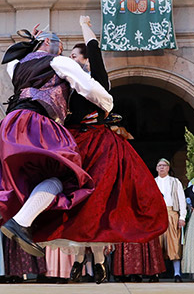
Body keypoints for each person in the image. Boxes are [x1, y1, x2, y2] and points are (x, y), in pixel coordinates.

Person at [0, 28, 112, 262]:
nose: (62, 49)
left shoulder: (17, 66)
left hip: (7, 126)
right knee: (66, 178)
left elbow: (13, 58)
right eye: (60, 44)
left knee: (15, 184)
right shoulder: (58, 62)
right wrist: (108, 104)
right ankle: (21, 223)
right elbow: (89, 88)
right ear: (46, 43)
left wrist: (31, 42)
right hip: (36, 123)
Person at [39, 16, 168, 282]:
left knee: (98, 200)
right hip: (72, 143)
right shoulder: (64, 84)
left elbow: (95, 53)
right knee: (71, 199)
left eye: (74, 56)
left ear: (84, 60)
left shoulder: (95, 81)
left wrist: (85, 27)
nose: (69, 60)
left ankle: (97, 260)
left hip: (96, 144)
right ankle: (79, 259)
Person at [154, 159, 186, 283]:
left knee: (174, 243)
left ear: (168, 168)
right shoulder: (153, 182)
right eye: (159, 166)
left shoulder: (175, 182)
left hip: (172, 213)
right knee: (157, 244)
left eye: (164, 166)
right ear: (156, 168)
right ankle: (155, 273)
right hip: (157, 215)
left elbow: (181, 200)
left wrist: (182, 217)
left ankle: (177, 273)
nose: (162, 168)